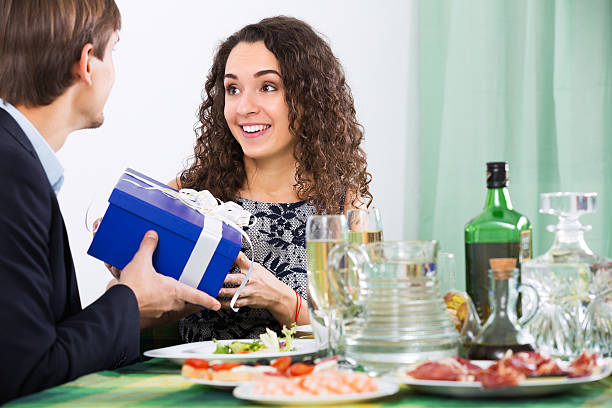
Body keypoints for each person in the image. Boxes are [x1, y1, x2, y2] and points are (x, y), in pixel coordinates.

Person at [0, 0, 220, 403]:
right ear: (87, 63)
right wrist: (131, 301)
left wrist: (140, 306)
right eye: (113, 50)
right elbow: (26, 375)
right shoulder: (11, 171)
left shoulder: (18, 161)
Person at [174, 16, 372, 342]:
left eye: (268, 87)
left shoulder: (344, 208)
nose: (244, 107)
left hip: (301, 386)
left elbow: (356, 335)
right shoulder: (190, 195)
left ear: (309, 98)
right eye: (233, 89)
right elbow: (137, 299)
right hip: (201, 385)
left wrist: (281, 299)